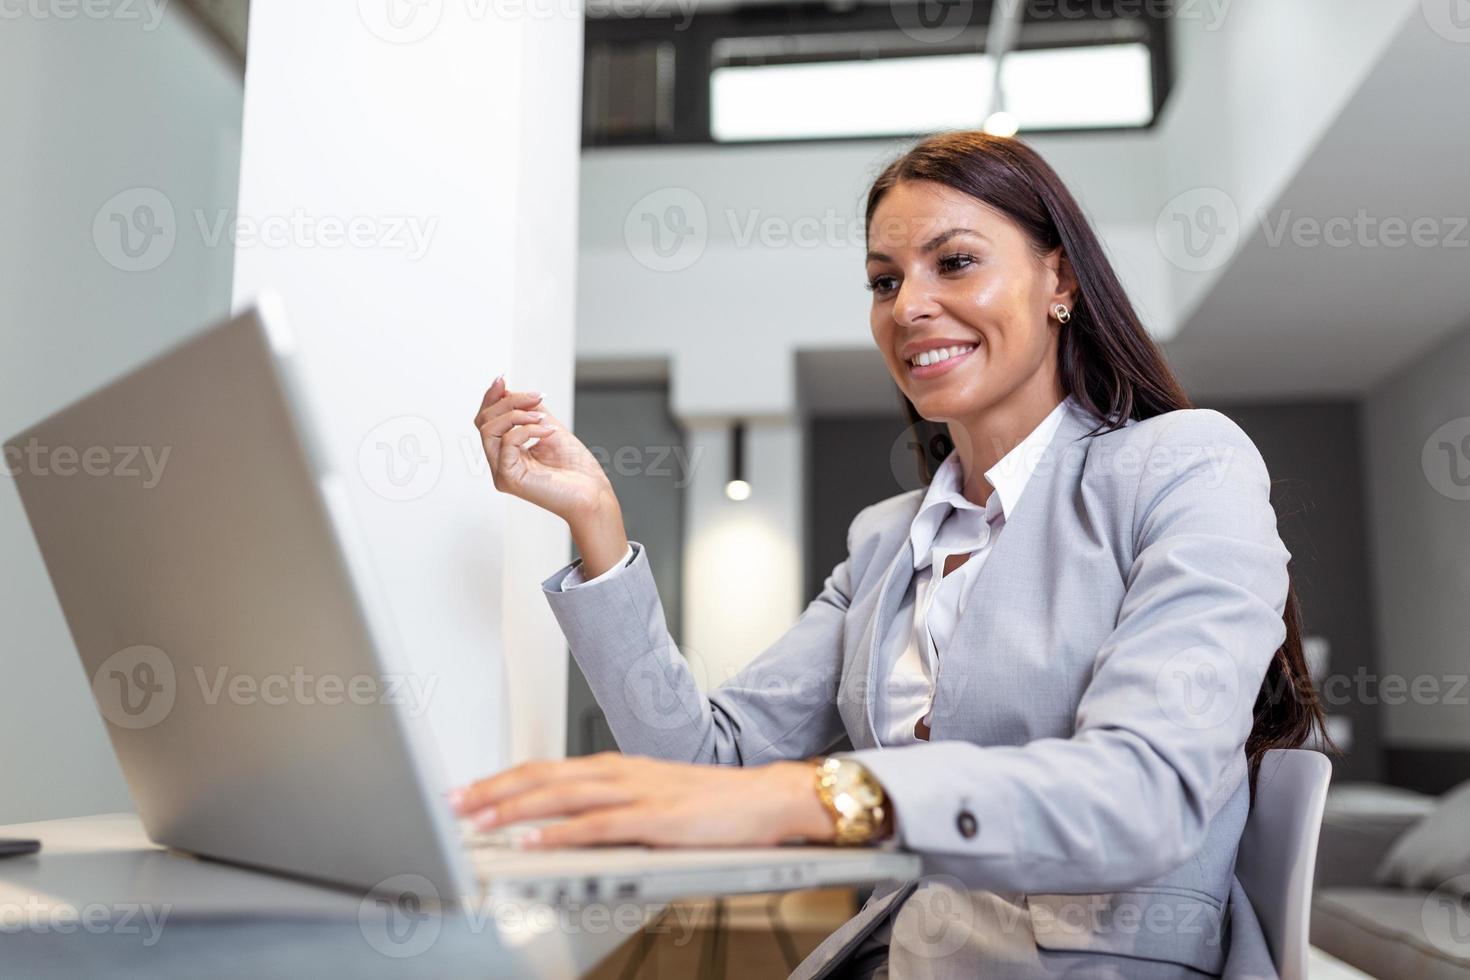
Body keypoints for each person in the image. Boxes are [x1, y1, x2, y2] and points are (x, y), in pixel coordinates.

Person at [452, 131, 1325, 979]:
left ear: (1058, 276)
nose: (907, 306)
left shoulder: (1184, 465)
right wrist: (598, 523)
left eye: (954, 262)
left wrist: (818, 797)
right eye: (883, 279)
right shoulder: (885, 541)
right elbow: (708, 767)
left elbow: (1146, 791)